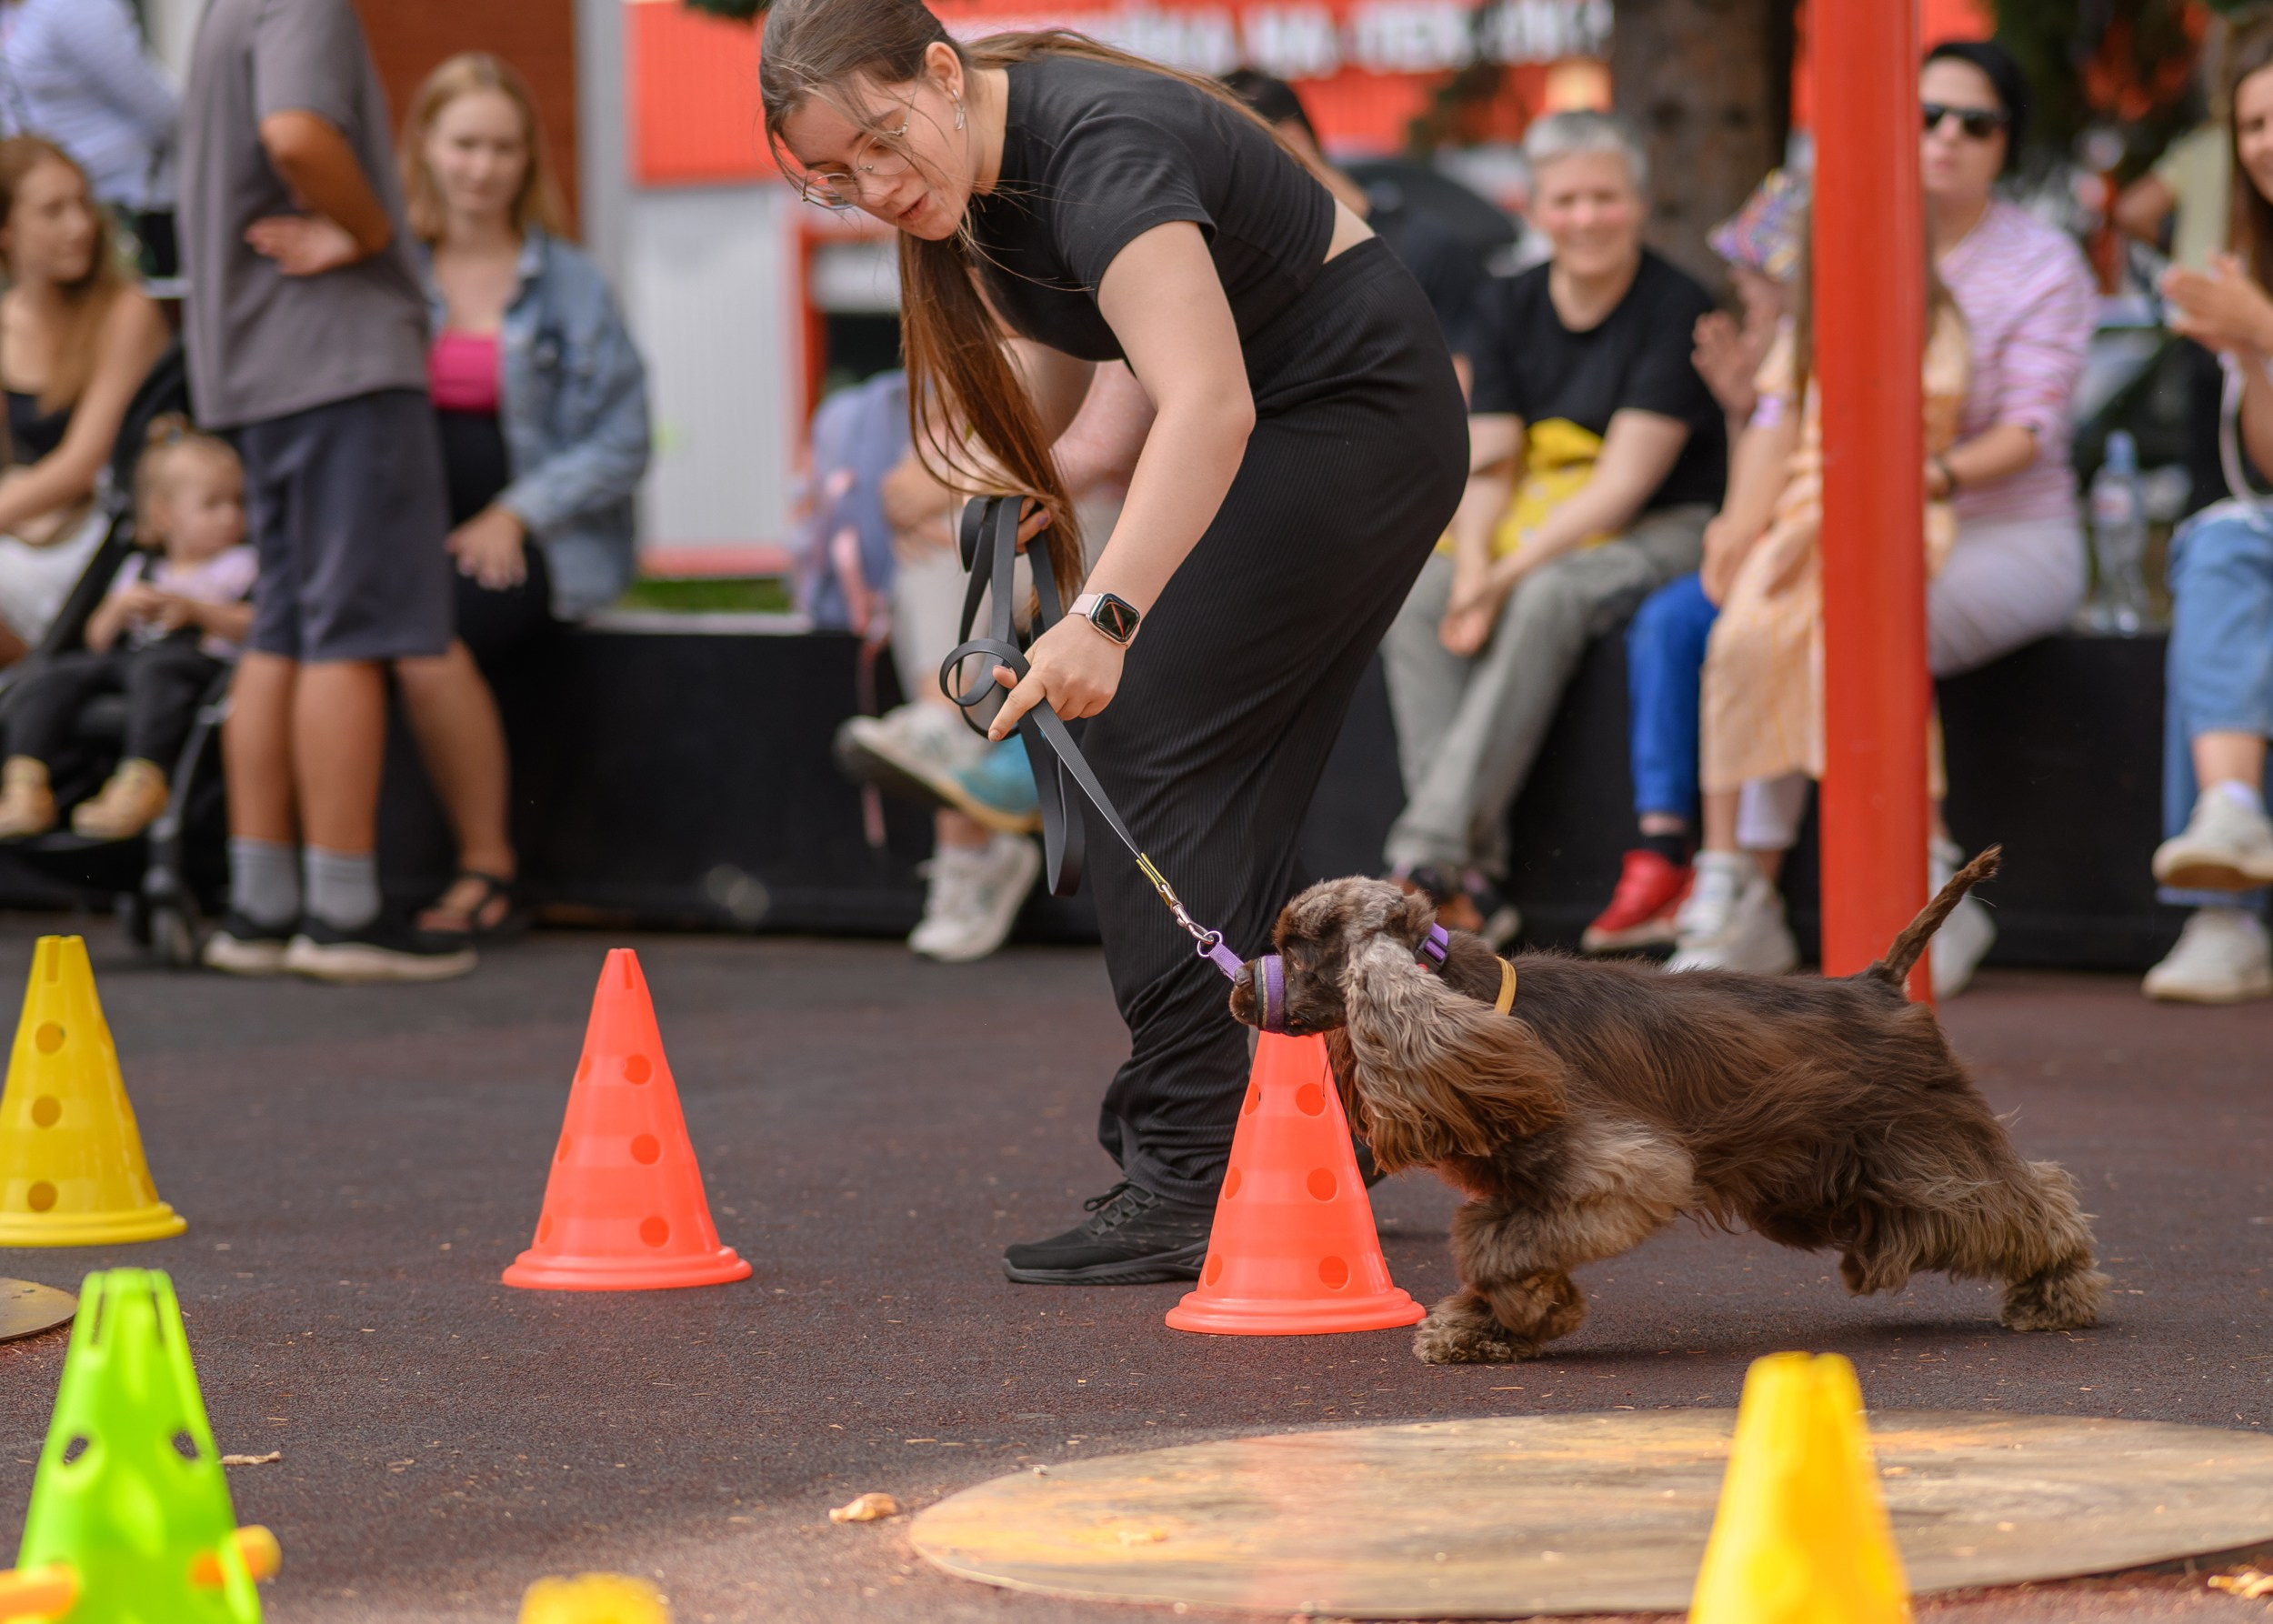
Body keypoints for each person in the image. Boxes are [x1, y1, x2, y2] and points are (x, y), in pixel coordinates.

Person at [763, 0, 1467, 1282]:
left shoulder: (1100, 147)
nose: (870, 186)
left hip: (1350, 415)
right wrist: (1012, 470)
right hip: (1311, 420)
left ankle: (1195, 1167)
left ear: (938, 70)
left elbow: (1207, 402)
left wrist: (1107, 615)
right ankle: (1310, 1118)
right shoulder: (977, 171)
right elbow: (1064, 335)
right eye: (835, 177)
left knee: (1135, 729)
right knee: (1209, 778)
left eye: (876, 143)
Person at [1667, 40, 2096, 997]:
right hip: (1840, 527)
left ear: (2004, 144)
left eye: (1972, 123)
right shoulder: (1843, 235)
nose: (1944, 137)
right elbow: (1784, 400)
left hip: (1999, 531)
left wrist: (1898, 486)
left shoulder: (2037, 261)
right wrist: (1741, 519)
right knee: (1760, 619)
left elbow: (2029, 428)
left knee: (1848, 619)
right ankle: (1746, 889)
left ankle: (1919, 884)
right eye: (1925, 116)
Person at [183, 0, 476, 981]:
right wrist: (369, 229)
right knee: (349, 626)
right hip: (337, 363)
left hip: (263, 367)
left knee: (285, 624)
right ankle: (343, 912)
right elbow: (297, 132)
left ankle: (264, 907)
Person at [1380, 110, 1725, 945]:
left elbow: (1621, 488)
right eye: (1565, 200)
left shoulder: (1674, 305)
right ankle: (1467, 883)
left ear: (1639, 205)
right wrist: (1470, 571)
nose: (1586, 218)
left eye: (1605, 198)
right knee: (1419, 597)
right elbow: (1492, 461)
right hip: (1532, 516)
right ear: (1535, 209)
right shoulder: (1507, 304)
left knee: (1545, 597)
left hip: (1662, 525)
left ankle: (1424, 859)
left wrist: (1499, 578)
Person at [398, 51, 651, 941]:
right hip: (414, 534)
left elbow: (623, 439)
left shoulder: (570, 283)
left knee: (428, 637)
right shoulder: (393, 274)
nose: (482, 166)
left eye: (503, 148)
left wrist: (515, 513)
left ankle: (486, 864)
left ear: (526, 160)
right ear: (425, 144)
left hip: (536, 541)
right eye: (464, 143)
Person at [839, 362, 1153, 963]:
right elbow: (932, 455)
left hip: (1128, 506)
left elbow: (1110, 441)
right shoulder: (987, 298)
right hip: (1042, 488)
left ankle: (959, 783)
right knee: (953, 528)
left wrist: (953, 486)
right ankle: (948, 733)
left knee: (972, 517)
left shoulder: (1090, 283)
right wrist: (937, 492)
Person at [1582, 168, 1807, 955]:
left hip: (1799, 560)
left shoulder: (1810, 355)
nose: (1742, 290)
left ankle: (1733, 872)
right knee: (1673, 622)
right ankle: (1666, 840)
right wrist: (1742, 408)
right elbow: (1756, 480)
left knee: (1724, 627)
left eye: (1756, 276)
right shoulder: (1774, 361)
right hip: (1763, 549)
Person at [2140, 21, 2273, 1005]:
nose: (2266, 141)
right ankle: (2227, 836)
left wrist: (2259, 329)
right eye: (2253, 124)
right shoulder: (2242, 271)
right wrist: (2254, 353)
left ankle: (2224, 907)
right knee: (2221, 541)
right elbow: (2260, 473)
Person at [0, 417, 252, 840]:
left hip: (195, 666)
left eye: (239, 502)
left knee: (158, 671)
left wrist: (198, 612)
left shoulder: (241, 565)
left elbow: (254, 626)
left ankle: (142, 781)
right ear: (162, 515)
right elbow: (97, 639)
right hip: (130, 660)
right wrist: (118, 609)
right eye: (212, 504)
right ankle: (26, 781)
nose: (231, 516)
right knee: (55, 674)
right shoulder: (141, 569)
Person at [0, 135, 167, 662]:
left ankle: (34, 692)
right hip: (27, 530)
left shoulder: (127, 312)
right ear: (7, 231)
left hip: (102, 536)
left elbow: (81, 464)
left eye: (82, 204)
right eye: (53, 211)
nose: (79, 226)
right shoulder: (6, 322)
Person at [0, 0, 179, 277]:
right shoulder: (14, 13)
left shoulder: (76, 7)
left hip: (129, 204)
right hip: (62, 205)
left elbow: (157, 108)